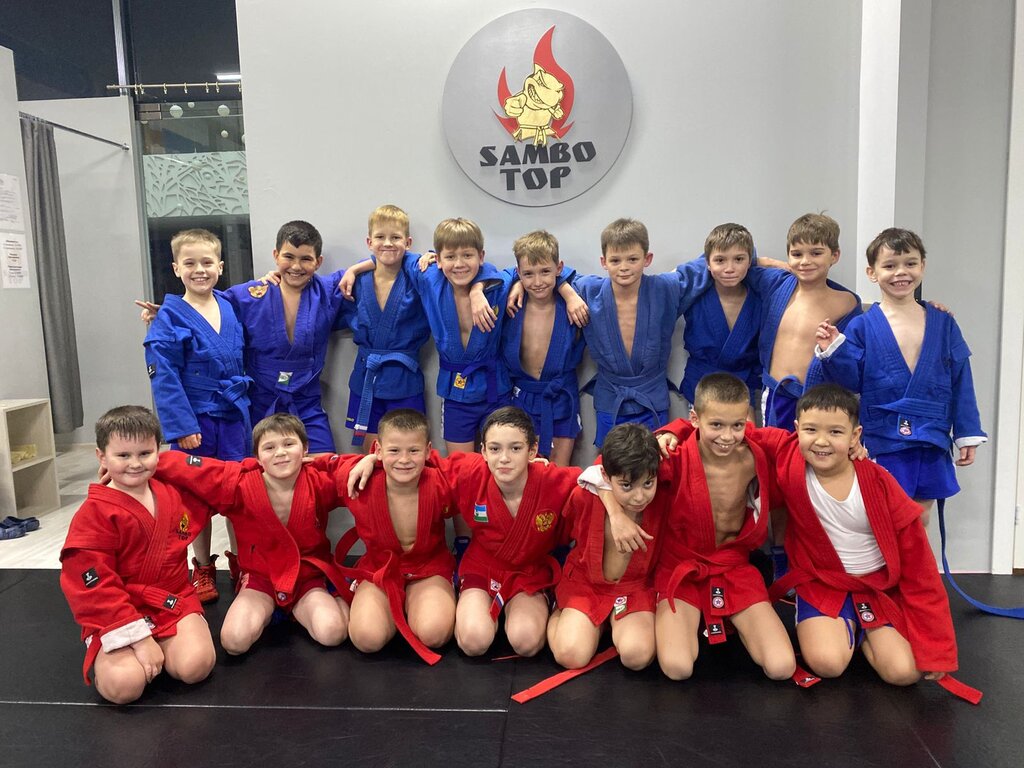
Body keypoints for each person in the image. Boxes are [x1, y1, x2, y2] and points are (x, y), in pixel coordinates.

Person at [765, 384, 959, 686]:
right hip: (822, 582)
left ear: (855, 436)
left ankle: (864, 630)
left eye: (836, 432)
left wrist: (938, 649)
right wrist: (685, 429)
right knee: (827, 664)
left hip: (876, 585)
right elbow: (733, 429)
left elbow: (919, 568)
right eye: (811, 430)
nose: (821, 441)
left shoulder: (879, 484)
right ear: (797, 429)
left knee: (905, 673)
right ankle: (842, 628)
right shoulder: (790, 460)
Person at [609, 373, 796, 681]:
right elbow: (605, 469)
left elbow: (810, 447)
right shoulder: (673, 454)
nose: (727, 436)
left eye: (737, 425)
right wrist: (616, 515)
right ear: (694, 418)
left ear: (747, 420)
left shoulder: (756, 452)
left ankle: (724, 615)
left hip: (732, 567)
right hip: (681, 568)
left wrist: (856, 451)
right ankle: (694, 617)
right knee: (677, 668)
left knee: (782, 667)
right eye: (716, 425)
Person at [813, 227, 986, 525]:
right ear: (872, 272)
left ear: (922, 266)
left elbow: (961, 380)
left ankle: (916, 559)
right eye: (890, 265)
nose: (901, 272)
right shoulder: (862, 326)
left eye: (910, 263)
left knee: (921, 517)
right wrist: (833, 349)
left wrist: (966, 432)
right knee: (886, 514)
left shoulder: (943, 323)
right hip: (883, 435)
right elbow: (849, 383)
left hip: (931, 433)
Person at [156, 413, 351, 655]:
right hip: (261, 579)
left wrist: (371, 460)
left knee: (332, 633)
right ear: (257, 457)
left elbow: (349, 470)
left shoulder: (319, 481)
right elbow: (188, 467)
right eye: (269, 447)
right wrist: (147, 462)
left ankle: (334, 593)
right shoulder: (239, 484)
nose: (280, 453)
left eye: (289, 444)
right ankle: (276, 609)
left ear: (305, 449)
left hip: (307, 578)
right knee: (234, 642)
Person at [59, 406, 216, 704]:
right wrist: (140, 639)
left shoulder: (173, 491)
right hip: (117, 608)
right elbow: (92, 586)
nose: (135, 463)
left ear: (159, 451)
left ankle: (167, 645)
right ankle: (123, 647)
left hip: (171, 600)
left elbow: (221, 480)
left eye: (145, 453)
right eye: (122, 455)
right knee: (124, 687)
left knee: (196, 666)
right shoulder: (94, 514)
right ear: (101, 457)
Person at [143, 228, 251, 604]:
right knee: (194, 498)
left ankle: (243, 563)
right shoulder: (169, 317)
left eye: (207, 262)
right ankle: (203, 566)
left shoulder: (229, 305)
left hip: (234, 418)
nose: (199, 270)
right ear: (176, 268)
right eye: (190, 263)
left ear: (220, 266)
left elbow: (259, 295)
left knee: (240, 493)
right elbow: (164, 377)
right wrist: (182, 426)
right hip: (196, 422)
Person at [341, 218, 510, 455]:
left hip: (495, 387)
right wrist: (354, 269)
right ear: (438, 260)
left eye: (467, 256)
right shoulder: (430, 279)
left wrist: (477, 289)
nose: (459, 264)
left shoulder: (497, 287)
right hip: (454, 390)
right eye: (450, 257)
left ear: (481, 257)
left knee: (503, 460)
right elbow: (393, 255)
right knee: (460, 466)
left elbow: (519, 272)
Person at [433, 406, 582, 657]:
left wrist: (613, 507)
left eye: (515, 448)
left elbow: (600, 480)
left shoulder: (553, 480)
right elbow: (417, 460)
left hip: (529, 572)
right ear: (483, 451)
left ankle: (543, 604)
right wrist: (374, 459)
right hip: (482, 566)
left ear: (532, 450)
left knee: (526, 642)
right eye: (495, 449)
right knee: (473, 641)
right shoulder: (471, 472)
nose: (504, 458)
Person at [557, 218, 718, 446]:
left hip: (652, 395)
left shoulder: (665, 288)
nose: (624, 267)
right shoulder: (588, 290)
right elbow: (546, 272)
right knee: (610, 461)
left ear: (647, 259)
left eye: (632, 259)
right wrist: (567, 293)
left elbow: (716, 258)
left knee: (656, 458)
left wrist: (754, 258)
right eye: (615, 260)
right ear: (603, 262)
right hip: (611, 396)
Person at [333, 409, 458, 664]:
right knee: (366, 639)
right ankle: (390, 608)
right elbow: (313, 470)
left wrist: (537, 469)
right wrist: (366, 460)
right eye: (394, 450)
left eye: (413, 450)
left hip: (428, 568)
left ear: (428, 451)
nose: (404, 459)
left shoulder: (440, 481)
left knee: (433, 633)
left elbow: (482, 470)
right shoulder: (359, 481)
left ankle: (420, 602)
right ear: (378, 449)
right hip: (379, 569)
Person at [547, 423, 673, 671]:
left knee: (637, 656)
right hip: (587, 585)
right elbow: (564, 531)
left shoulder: (665, 495)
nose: (639, 496)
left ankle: (603, 624)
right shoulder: (584, 496)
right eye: (626, 486)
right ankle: (558, 611)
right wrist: (614, 514)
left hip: (635, 588)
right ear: (605, 477)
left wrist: (674, 432)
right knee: (570, 655)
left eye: (648, 484)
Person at [749, 213, 861, 431]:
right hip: (775, 395)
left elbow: (851, 363)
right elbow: (735, 259)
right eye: (797, 254)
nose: (805, 261)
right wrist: (774, 263)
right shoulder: (776, 284)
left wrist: (924, 306)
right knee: (775, 451)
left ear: (835, 255)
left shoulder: (846, 303)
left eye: (816, 253)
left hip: (818, 403)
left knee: (813, 453)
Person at [338, 205, 431, 450]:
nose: (388, 243)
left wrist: (430, 256)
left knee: (408, 450)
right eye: (380, 237)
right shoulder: (355, 280)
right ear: (369, 242)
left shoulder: (418, 276)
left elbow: (447, 267)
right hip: (367, 376)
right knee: (373, 452)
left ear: (408, 243)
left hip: (404, 379)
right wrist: (354, 269)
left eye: (395, 237)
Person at [500, 231, 586, 465]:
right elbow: (489, 274)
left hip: (560, 395)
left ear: (559, 268)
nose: (537, 282)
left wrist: (568, 292)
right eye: (528, 274)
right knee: (523, 468)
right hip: (522, 396)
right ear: (519, 273)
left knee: (558, 470)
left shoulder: (575, 300)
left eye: (545, 272)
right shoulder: (511, 302)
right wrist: (517, 284)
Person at [677, 224, 765, 410]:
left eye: (739, 259)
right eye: (720, 260)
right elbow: (658, 287)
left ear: (750, 261)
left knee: (745, 430)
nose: (729, 268)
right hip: (702, 384)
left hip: (742, 385)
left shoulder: (761, 297)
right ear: (707, 264)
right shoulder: (692, 293)